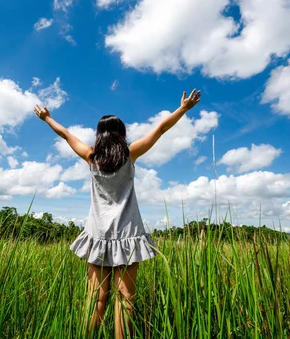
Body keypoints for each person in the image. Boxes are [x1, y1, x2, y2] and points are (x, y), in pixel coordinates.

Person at [34, 89, 202, 339]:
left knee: (96, 300)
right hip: (128, 234)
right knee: (125, 301)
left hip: (98, 233)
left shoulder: (91, 157)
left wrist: (47, 118)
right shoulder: (130, 154)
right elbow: (160, 129)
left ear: (99, 135)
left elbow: (65, 134)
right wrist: (183, 109)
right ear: (121, 134)